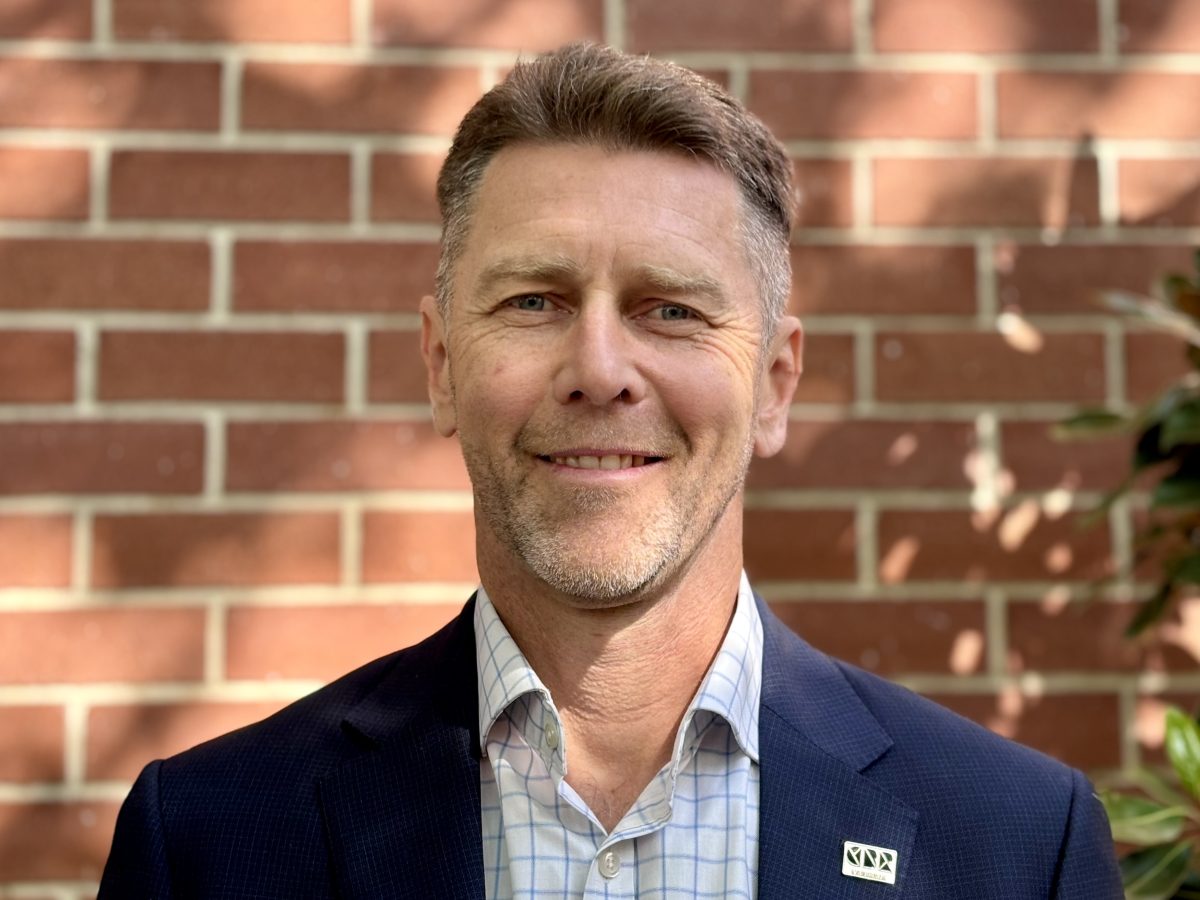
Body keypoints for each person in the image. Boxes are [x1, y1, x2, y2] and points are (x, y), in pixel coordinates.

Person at [99, 42, 1122, 898]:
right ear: (442, 366)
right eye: (534, 301)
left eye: (670, 308)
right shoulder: (204, 842)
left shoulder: (1022, 848)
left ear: (774, 384)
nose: (598, 370)